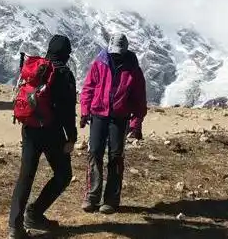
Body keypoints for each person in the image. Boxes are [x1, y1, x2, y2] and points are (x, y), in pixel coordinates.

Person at [8, 34, 78, 238]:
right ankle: (35, 213)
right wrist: (71, 138)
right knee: (63, 174)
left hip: (29, 128)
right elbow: (67, 111)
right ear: (66, 54)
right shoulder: (63, 74)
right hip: (51, 131)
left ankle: (14, 227)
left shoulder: (37, 68)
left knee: (26, 176)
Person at [79, 33, 148, 214]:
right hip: (98, 114)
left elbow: (139, 98)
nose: (116, 55)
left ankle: (111, 199)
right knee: (94, 153)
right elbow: (88, 88)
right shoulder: (99, 63)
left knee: (116, 157)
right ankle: (91, 196)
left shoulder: (133, 69)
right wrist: (85, 112)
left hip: (120, 117)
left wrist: (136, 122)